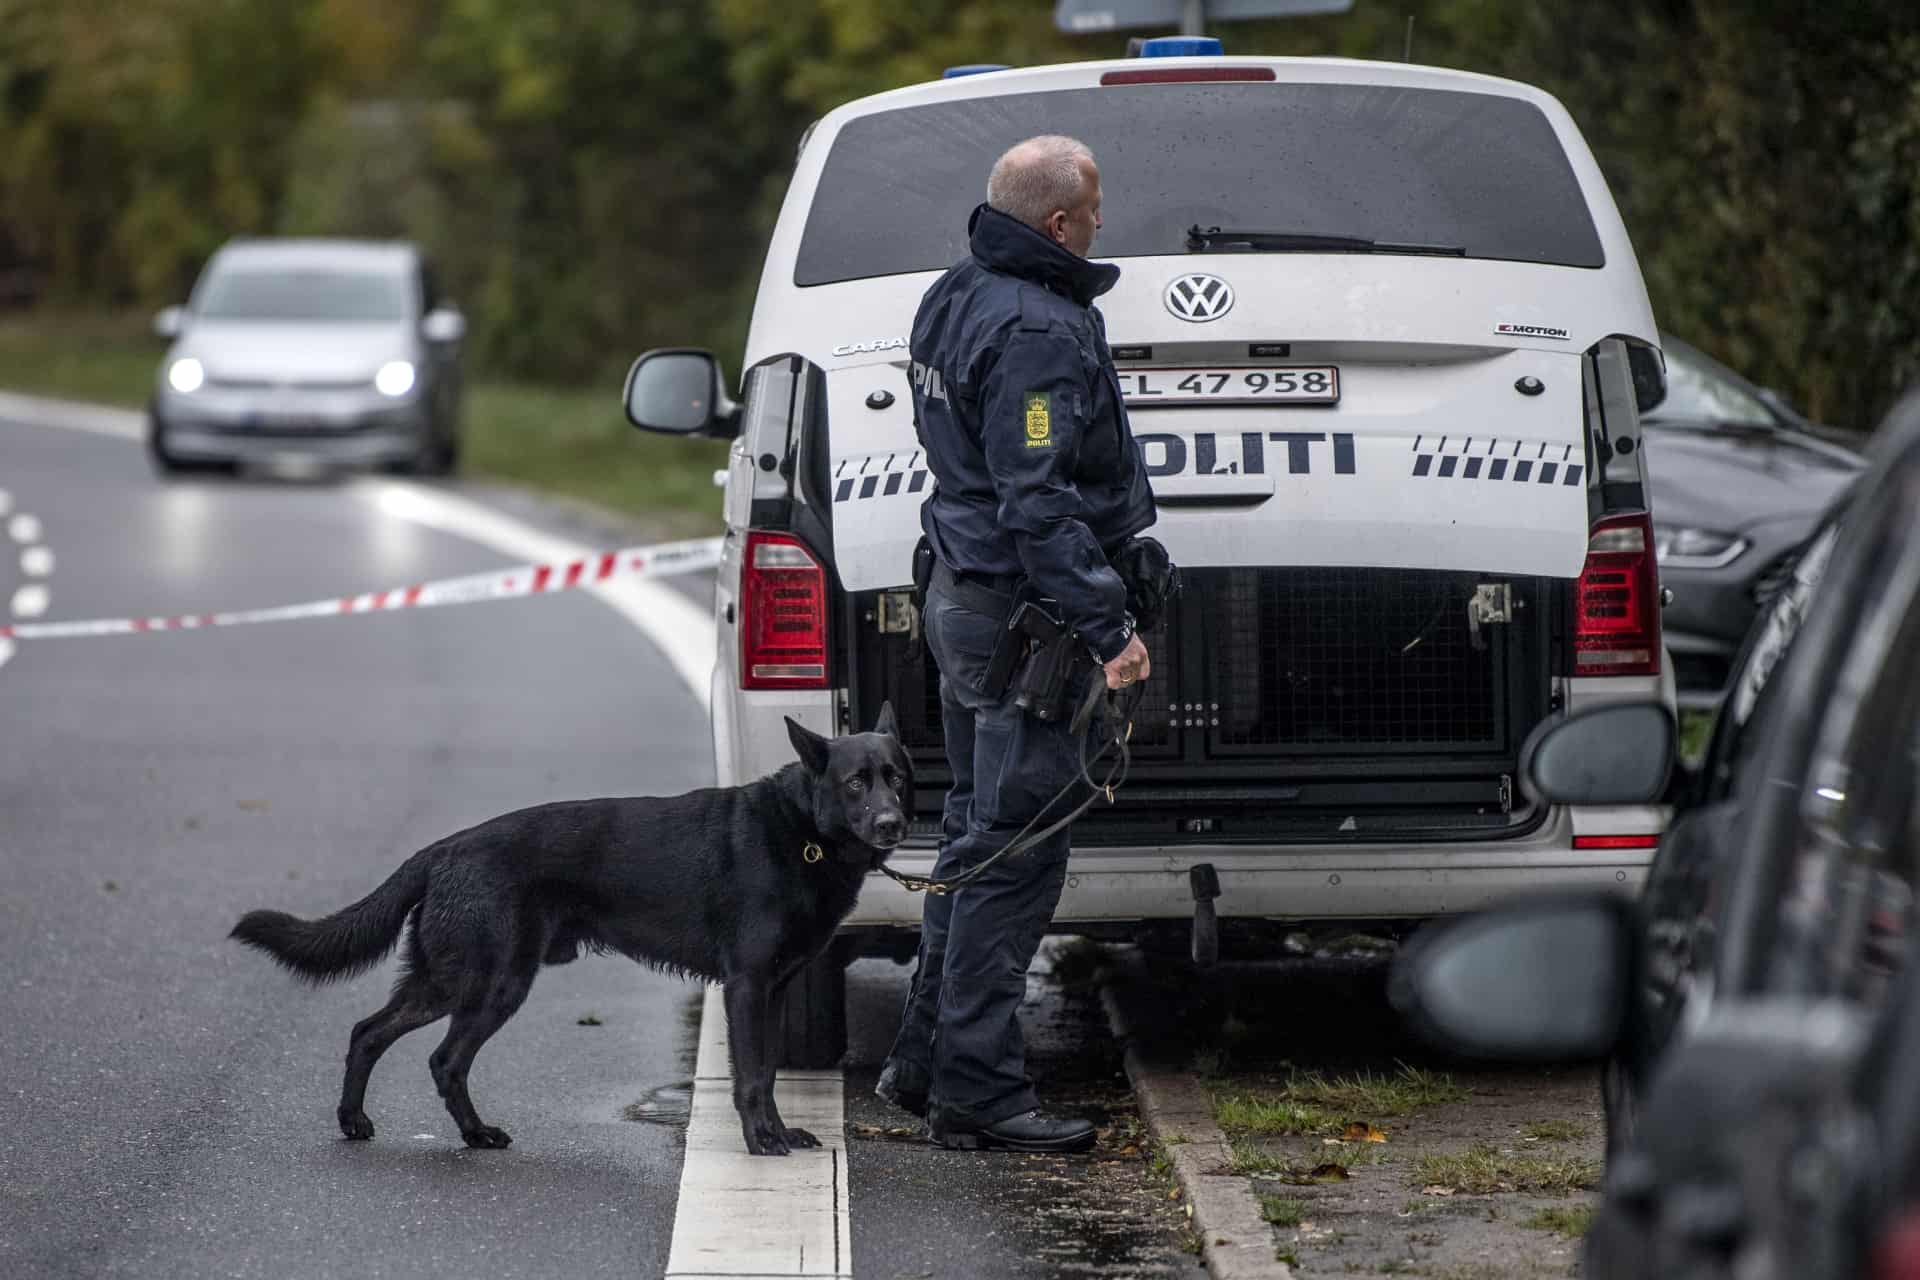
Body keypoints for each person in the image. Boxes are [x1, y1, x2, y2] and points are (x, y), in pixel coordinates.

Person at [876, 135, 1157, 1153]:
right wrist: (1110, 626)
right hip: (1020, 614)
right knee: (1014, 852)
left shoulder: (957, 289)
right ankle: (981, 1094)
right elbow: (1036, 497)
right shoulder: (1039, 325)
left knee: (973, 831)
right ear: (1058, 223)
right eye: (1092, 207)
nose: (1100, 222)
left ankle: (923, 1062)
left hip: (961, 591)